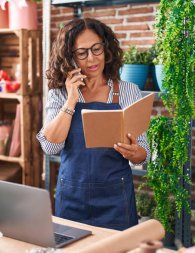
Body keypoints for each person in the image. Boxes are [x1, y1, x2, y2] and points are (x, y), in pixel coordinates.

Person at [37, 18, 150, 231]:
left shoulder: (128, 91)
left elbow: (145, 153)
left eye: (96, 49)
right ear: (69, 58)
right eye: (82, 53)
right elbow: (50, 146)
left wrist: (134, 152)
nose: (91, 58)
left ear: (106, 48)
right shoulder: (59, 94)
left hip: (116, 197)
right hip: (72, 196)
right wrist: (71, 99)